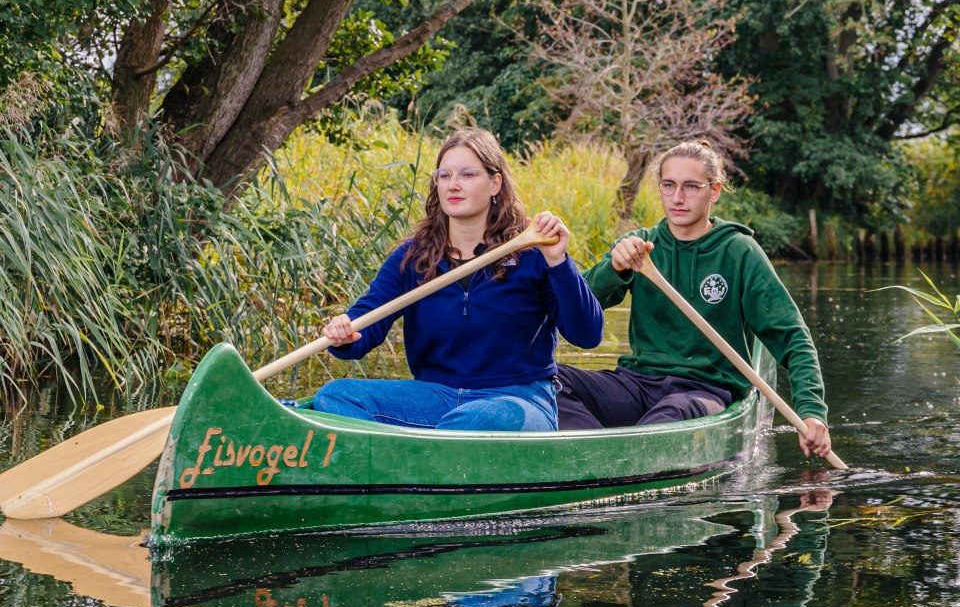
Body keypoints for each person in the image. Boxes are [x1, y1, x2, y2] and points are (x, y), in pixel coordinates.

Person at [555, 139, 833, 461]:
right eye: (668, 185)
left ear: (714, 191)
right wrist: (612, 268)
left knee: (674, 412)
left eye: (691, 187)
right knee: (550, 380)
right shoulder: (639, 247)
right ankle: (596, 456)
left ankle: (619, 459)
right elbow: (575, 309)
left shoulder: (739, 251)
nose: (677, 198)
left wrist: (812, 413)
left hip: (704, 391)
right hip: (637, 384)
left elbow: (792, 337)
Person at [311, 127, 604, 432]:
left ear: (495, 183)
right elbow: (366, 322)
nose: (453, 185)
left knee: (486, 418)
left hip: (518, 400)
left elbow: (587, 335)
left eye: (467, 174)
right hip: (435, 396)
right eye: (444, 175)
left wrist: (558, 261)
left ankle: (419, 453)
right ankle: (425, 458)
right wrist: (346, 333)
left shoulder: (532, 254)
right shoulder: (412, 258)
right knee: (337, 396)